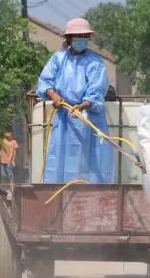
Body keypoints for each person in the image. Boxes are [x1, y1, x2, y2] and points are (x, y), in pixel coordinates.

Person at [36, 17, 114, 184]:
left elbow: (97, 89)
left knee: (90, 163)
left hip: (88, 118)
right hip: (64, 118)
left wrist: (84, 104)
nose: (81, 40)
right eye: (77, 36)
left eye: (84, 36)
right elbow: (45, 81)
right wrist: (54, 96)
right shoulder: (58, 59)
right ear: (69, 39)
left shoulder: (95, 62)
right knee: (59, 160)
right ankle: (59, 198)